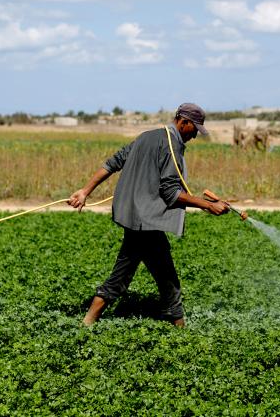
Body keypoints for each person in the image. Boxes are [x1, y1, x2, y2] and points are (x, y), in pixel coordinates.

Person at [68, 103, 229, 327]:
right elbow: (171, 192)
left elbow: (113, 163)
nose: (195, 136)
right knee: (126, 276)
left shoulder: (147, 136)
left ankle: (178, 326)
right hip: (144, 221)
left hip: (136, 217)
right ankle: (87, 323)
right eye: (194, 129)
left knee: (165, 276)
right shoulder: (172, 145)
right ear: (183, 122)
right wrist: (207, 206)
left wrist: (85, 191)